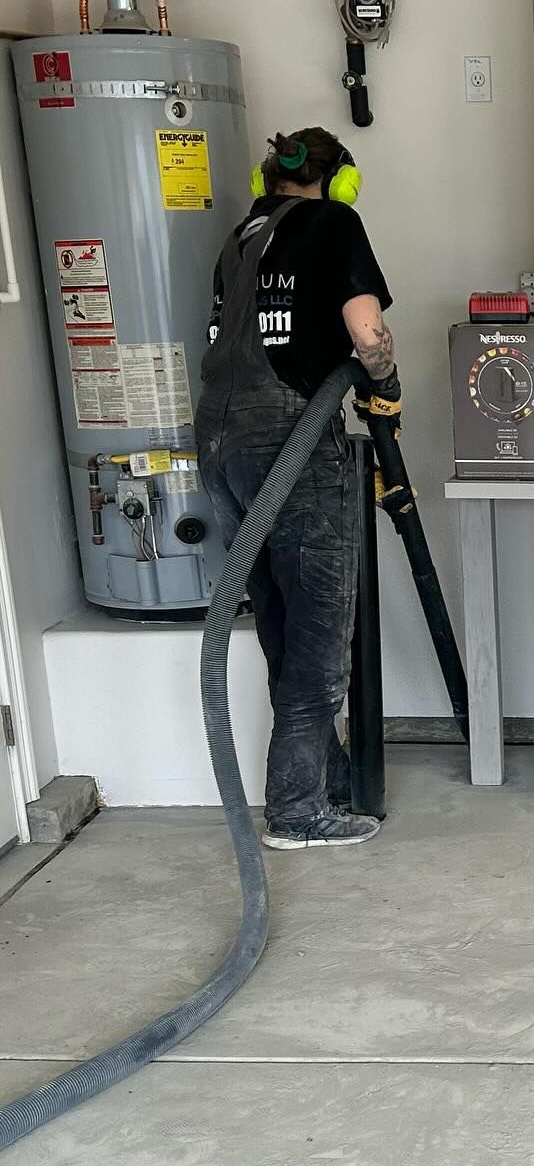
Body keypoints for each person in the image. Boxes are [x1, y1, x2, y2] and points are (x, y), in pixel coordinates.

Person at [195, 127, 400, 850]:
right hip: (293, 437)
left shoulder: (238, 237)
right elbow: (366, 332)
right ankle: (298, 812)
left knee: (281, 620)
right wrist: (386, 386)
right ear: (340, 180)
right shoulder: (335, 220)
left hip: (218, 442)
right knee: (319, 633)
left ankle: (326, 775)